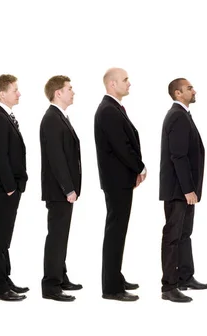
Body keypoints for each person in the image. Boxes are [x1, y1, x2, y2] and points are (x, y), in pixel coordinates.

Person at [93, 68, 145, 301]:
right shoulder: (108, 110)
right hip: (116, 182)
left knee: (118, 232)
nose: (129, 83)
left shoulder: (113, 108)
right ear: (112, 84)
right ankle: (111, 288)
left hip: (120, 181)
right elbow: (122, 146)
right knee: (115, 232)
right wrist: (140, 167)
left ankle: (115, 277)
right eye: (125, 80)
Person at [159, 78, 207, 303]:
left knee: (184, 234)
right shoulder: (178, 116)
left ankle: (185, 276)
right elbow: (178, 156)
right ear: (178, 93)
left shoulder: (183, 115)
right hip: (178, 190)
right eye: (189, 88)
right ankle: (169, 287)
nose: (194, 90)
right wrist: (188, 189)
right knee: (173, 236)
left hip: (185, 190)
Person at [39, 75, 83, 302]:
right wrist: (68, 188)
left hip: (63, 190)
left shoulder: (60, 117)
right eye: (69, 88)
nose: (73, 92)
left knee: (61, 235)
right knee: (56, 237)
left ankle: (61, 276)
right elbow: (56, 158)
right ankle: (51, 286)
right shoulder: (52, 119)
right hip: (59, 191)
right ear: (58, 93)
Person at [0, 74, 29, 301]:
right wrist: (11, 187)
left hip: (10, 187)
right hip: (4, 189)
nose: (19, 93)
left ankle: (5, 279)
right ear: (3, 94)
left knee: (4, 238)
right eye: (15, 90)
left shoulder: (6, 116)